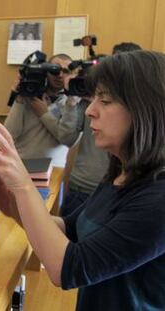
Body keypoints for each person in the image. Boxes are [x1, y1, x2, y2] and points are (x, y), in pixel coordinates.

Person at [0, 50, 165, 310]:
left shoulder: (158, 199)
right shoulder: (120, 173)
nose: (90, 111)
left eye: (105, 100)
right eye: (93, 98)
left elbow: (68, 268)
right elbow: (69, 230)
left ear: (146, 109)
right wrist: (10, 203)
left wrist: (23, 185)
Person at [59, 43, 142, 217]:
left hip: (117, 188)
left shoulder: (150, 193)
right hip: (84, 187)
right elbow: (67, 137)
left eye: (105, 101)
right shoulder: (89, 100)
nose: (91, 111)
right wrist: (72, 101)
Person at [4, 53, 74, 168]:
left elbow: (67, 138)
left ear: (71, 75)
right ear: (45, 71)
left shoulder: (72, 103)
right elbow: (9, 135)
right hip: (22, 166)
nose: (60, 75)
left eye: (65, 71)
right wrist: (20, 98)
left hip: (55, 169)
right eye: (54, 70)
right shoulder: (28, 96)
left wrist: (43, 113)